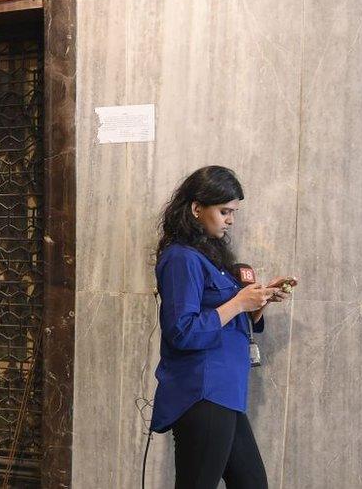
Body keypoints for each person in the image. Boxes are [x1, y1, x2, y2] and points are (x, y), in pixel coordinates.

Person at [150, 166, 297, 489]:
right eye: (224, 211)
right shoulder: (181, 258)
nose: (230, 220)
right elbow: (182, 331)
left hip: (225, 391)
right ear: (196, 208)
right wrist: (238, 303)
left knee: (252, 483)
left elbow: (227, 320)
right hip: (202, 391)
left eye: (233, 212)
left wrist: (256, 304)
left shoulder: (209, 255)